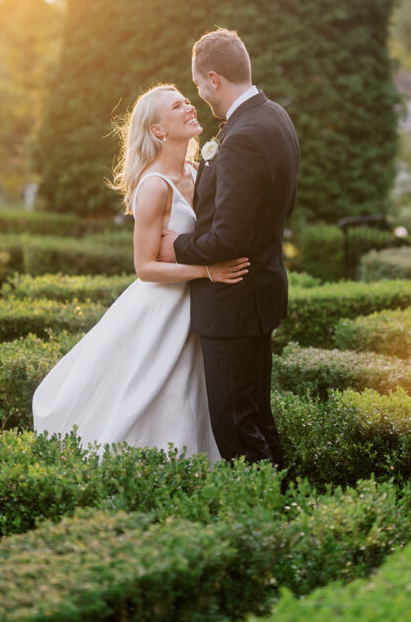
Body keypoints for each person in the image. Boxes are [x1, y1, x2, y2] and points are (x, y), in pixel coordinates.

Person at [32, 84, 249, 459]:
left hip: (197, 307)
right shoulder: (153, 187)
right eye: (177, 106)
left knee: (193, 393)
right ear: (158, 130)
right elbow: (145, 268)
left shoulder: (197, 171)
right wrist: (207, 272)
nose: (189, 108)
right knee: (160, 394)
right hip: (163, 307)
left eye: (186, 101)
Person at [159, 29, 300, 465]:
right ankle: (290, 503)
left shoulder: (241, 136)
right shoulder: (275, 117)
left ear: (214, 78)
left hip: (234, 298)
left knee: (235, 424)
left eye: (199, 84)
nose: (199, 94)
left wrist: (175, 247)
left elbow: (229, 238)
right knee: (256, 416)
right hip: (259, 291)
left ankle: (267, 517)